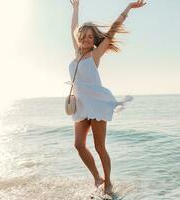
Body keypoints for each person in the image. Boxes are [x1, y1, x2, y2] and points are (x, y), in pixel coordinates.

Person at [68, 0, 146, 195]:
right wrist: (76, 8)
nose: (87, 39)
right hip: (81, 106)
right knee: (78, 145)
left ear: (94, 40)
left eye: (90, 36)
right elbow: (73, 28)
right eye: (84, 36)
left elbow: (113, 30)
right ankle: (97, 178)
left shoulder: (95, 55)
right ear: (79, 38)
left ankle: (108, 182)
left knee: (99, 146)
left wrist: (128, 8)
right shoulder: (76, 54)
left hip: (97, 105)